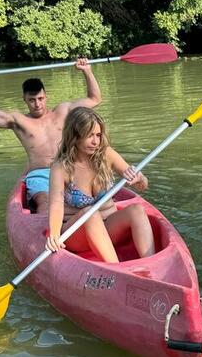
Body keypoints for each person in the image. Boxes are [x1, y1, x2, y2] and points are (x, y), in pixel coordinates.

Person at [0, 57, 102, 212]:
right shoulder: (18, 120)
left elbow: (94, 98)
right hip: (41, 175)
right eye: (32, 100)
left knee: (91, 196)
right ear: (25, 100)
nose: (38, 104)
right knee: (46, 202)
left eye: (40, 98)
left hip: (68, 169)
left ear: (46, 96)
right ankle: (49, 233)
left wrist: (87, 70)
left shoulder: (63, 111)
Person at [45, 106, 154, 263]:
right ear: (75, 136)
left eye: (98, 135)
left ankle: (152, 265)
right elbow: (56, 205)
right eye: (89, 136)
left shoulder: (106, 154)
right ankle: (117, 270)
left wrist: (140, 178)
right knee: (90, 214)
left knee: (137, 210)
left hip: (109, 228)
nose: (96, 141)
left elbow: (143, 185)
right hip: (77, 234)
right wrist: (54, 235)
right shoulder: (61, 167)